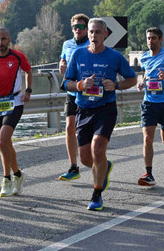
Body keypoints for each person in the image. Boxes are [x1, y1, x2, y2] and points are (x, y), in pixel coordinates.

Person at [62, 18, 137, 211]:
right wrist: (79, 85)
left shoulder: (114, 57)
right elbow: (66, 83)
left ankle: (97, 194)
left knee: (97, 149)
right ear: (87, 33)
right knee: (87, 158)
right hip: (83, 109)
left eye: (98, 32)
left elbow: (132, 79)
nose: (94, 35)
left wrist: (117, 85)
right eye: (91, 32)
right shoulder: (78, 55)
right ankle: (105, 165)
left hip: (105, 109)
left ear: (106, 35)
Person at [137, 27, 164, 186]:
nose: (150, 41)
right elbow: (146, 74)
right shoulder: (144, 58)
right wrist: (142, 83)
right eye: (148, 38)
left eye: (154, 38)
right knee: (147, 138)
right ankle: (148, 173)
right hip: (149, 102)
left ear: (160, 39)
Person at [0, 27, 32, 197]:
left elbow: (28, 71)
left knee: (2, 141)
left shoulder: (17, 56)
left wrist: (28, 90)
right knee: (6, 143)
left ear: (9, 40)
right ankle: (19, 175)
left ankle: (6, 179)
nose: (0, 43)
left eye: (3, 39)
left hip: (14, 103)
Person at [58, 14, 91, 181]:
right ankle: (73, 166)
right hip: (72, 92)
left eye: (81, 27)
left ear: (87, 29)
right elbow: (62, 65)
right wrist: (61, 67)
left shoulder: (91, 44)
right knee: (70, 127)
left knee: (87, 131)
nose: (77, 30)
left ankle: (96, 160)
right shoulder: (67, 44)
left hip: (88, 93)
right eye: (74, 27)